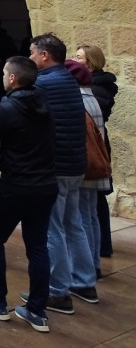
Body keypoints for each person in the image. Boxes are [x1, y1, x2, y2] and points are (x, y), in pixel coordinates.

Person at [0, 55, 57, 332]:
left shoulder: (7, 108)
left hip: (15, 185)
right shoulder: (44, 103)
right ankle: (37, 310)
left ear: (13, 78)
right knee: (37, 245)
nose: (3, 76)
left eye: (5, 73)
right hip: (45, 184)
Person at [29, 32, 96, 314]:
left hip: (55, 166)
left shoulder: (43, 83)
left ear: (45, 55)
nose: (30, 57)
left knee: (53, 228)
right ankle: (84, 282)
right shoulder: (68, 79)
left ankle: (58, 291)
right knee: (73, 223)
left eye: (33, 52)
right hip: (75, 164)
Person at [69, 57, 108, 290]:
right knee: (90, 216)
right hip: (94, 165)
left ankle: (86, 271)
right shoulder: (91, 97)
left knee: (82, 219)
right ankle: (93, 264)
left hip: (86, 165)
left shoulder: (81, 101)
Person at [79, 44, 117, 260]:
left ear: (90, 64)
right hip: (96, 143)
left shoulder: (99, 88)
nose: (75, 60)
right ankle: (102, 245)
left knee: (95, 198)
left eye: (79, 57)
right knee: (95, 198)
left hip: (95, 145)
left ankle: (102, 245)